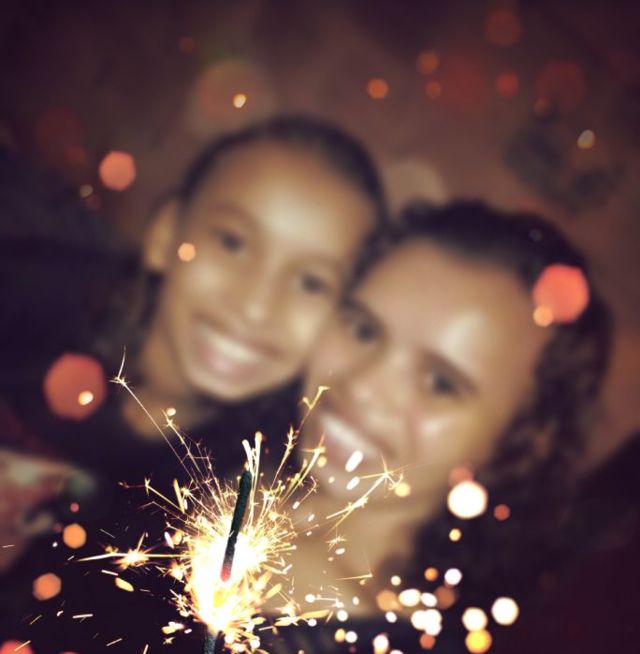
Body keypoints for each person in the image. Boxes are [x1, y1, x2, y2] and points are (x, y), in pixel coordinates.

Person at [0, 202, 611, 654]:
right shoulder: (206, 441)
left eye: (440, 382)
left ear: (519, 444)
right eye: (364, 328)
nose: (364, 386)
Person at [0, 114, 386, 571]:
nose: (256, 307)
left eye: (311, 282)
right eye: (232, 242)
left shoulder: (250, 479)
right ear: (166, 236)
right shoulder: (32, 296)